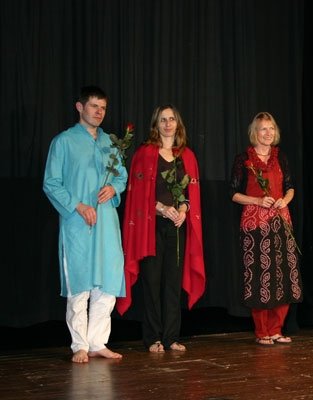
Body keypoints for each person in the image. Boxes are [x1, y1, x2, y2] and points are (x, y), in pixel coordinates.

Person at [43, 85, 127, 363]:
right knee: (79, 284)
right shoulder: (63, 142)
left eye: (103, 108)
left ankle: (97, 342)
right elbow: (51, 183)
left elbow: (121, 176)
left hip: (106, 224)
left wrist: (114, 188)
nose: (99, 112)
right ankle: (79, 343)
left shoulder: (111, 143)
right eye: (94, 106)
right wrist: (77, 205)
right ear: (80, 107)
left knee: (108, 282)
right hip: (78, 224)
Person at [115, 105, 205, 353]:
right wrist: (162, 209)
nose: (168, 124)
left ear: (178, 123)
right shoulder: (145, 154)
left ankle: (171, 337)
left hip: (176, 227)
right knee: (152, 283)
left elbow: (190, 194)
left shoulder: (186, 156)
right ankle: (153, 337)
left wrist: (184, 211)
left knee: (172, 285)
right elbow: (138, 197)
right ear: (156, 124)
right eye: (163, 120)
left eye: (172, 119)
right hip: (150, 227)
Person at [229, 112, 303, 346]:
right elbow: (232, 193)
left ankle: (277, 329)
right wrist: (258, 200)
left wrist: (285, 200)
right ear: (255, 132)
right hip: (256, 224)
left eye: (271, 128)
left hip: (281, 221)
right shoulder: (244, 160)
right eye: (263, 129)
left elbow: (290, 187)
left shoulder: (281, 157)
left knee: (283, 274)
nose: (268, 133)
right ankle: (262, 331)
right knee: (260, 277)